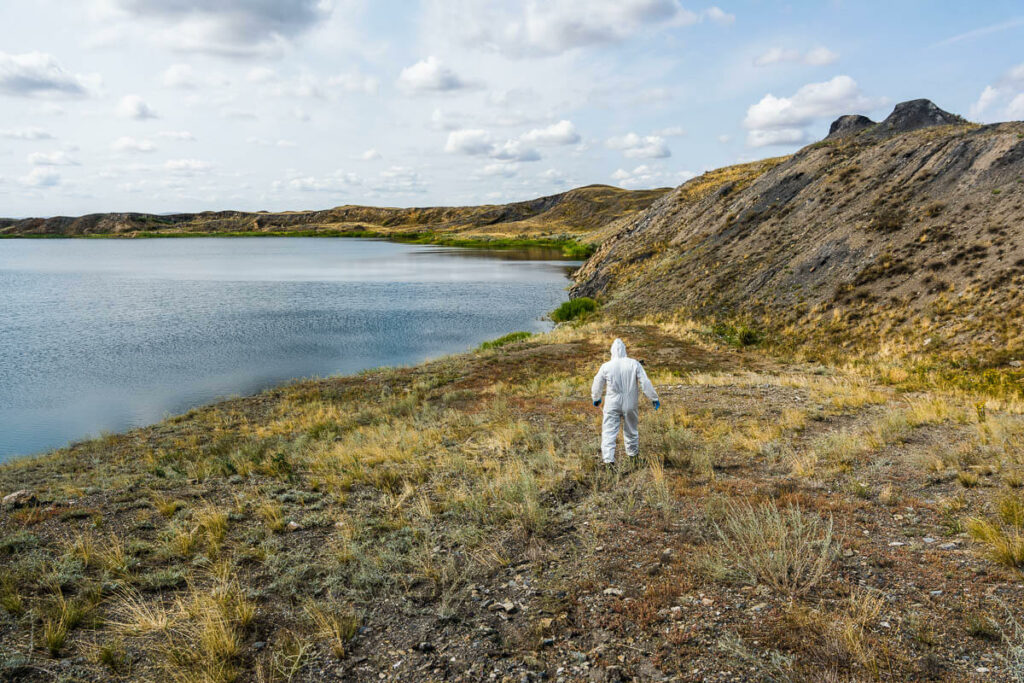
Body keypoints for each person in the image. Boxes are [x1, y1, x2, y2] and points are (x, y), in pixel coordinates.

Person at [590, 338, 660, 466]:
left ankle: (608, 463)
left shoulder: (606, 366)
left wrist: (596, 398)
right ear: (624, 350)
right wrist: (653, 398)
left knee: (609, 432)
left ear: (612, 351)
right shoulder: (634, 364)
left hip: (612, 403)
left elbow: (597, 383)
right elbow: (645, 382)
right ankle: (633, 458)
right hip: (630, 403)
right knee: (631, 430)